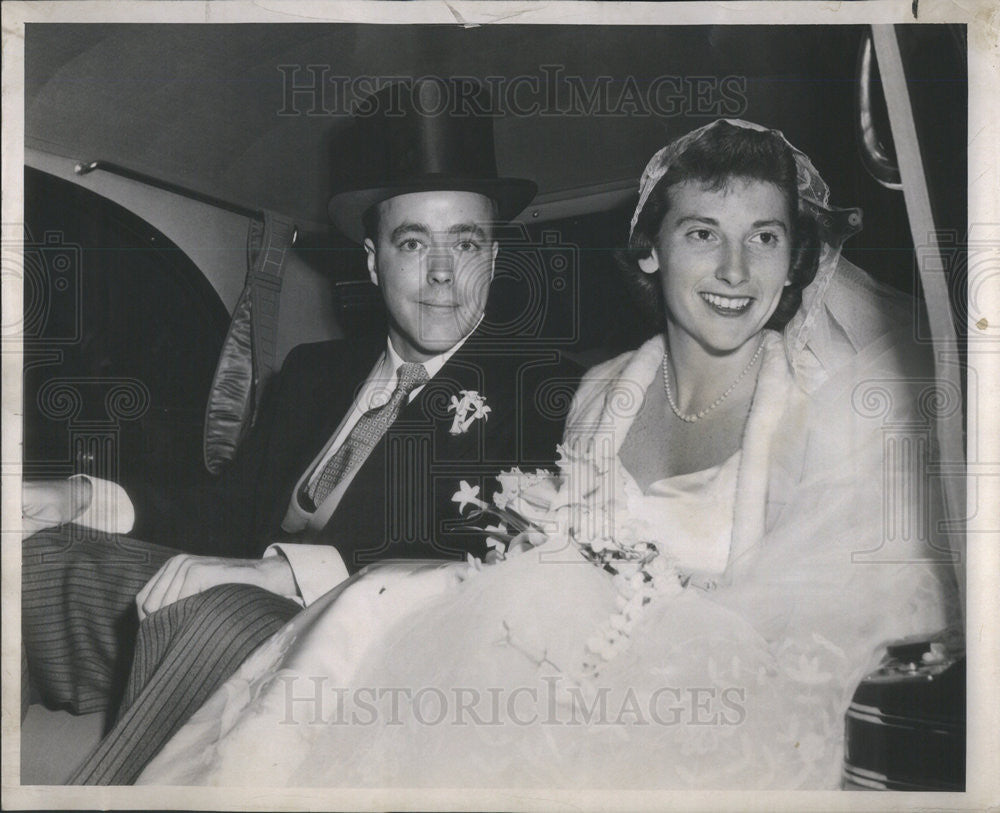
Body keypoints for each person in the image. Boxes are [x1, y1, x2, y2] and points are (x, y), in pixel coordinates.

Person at [132, 119, 962, 788]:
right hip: (548, 662)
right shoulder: (601, 395)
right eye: (703, 233)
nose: (736, 270)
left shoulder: (829, 408)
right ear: (651, 250)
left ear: (793, 262)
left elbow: (848, 618)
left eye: (767, 238)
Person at [21, 79, 579, 784]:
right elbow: (222, 514)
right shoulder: (316, 371)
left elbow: (470, 556)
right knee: (38, 559)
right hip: (235, 607)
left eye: (465, 243)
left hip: (367, 662)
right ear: (374, 262)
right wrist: (82, 497)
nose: (443, 273)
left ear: (494, 259)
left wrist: (281, 572)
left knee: (216, 613)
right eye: (413, 243)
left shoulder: (544, 389)